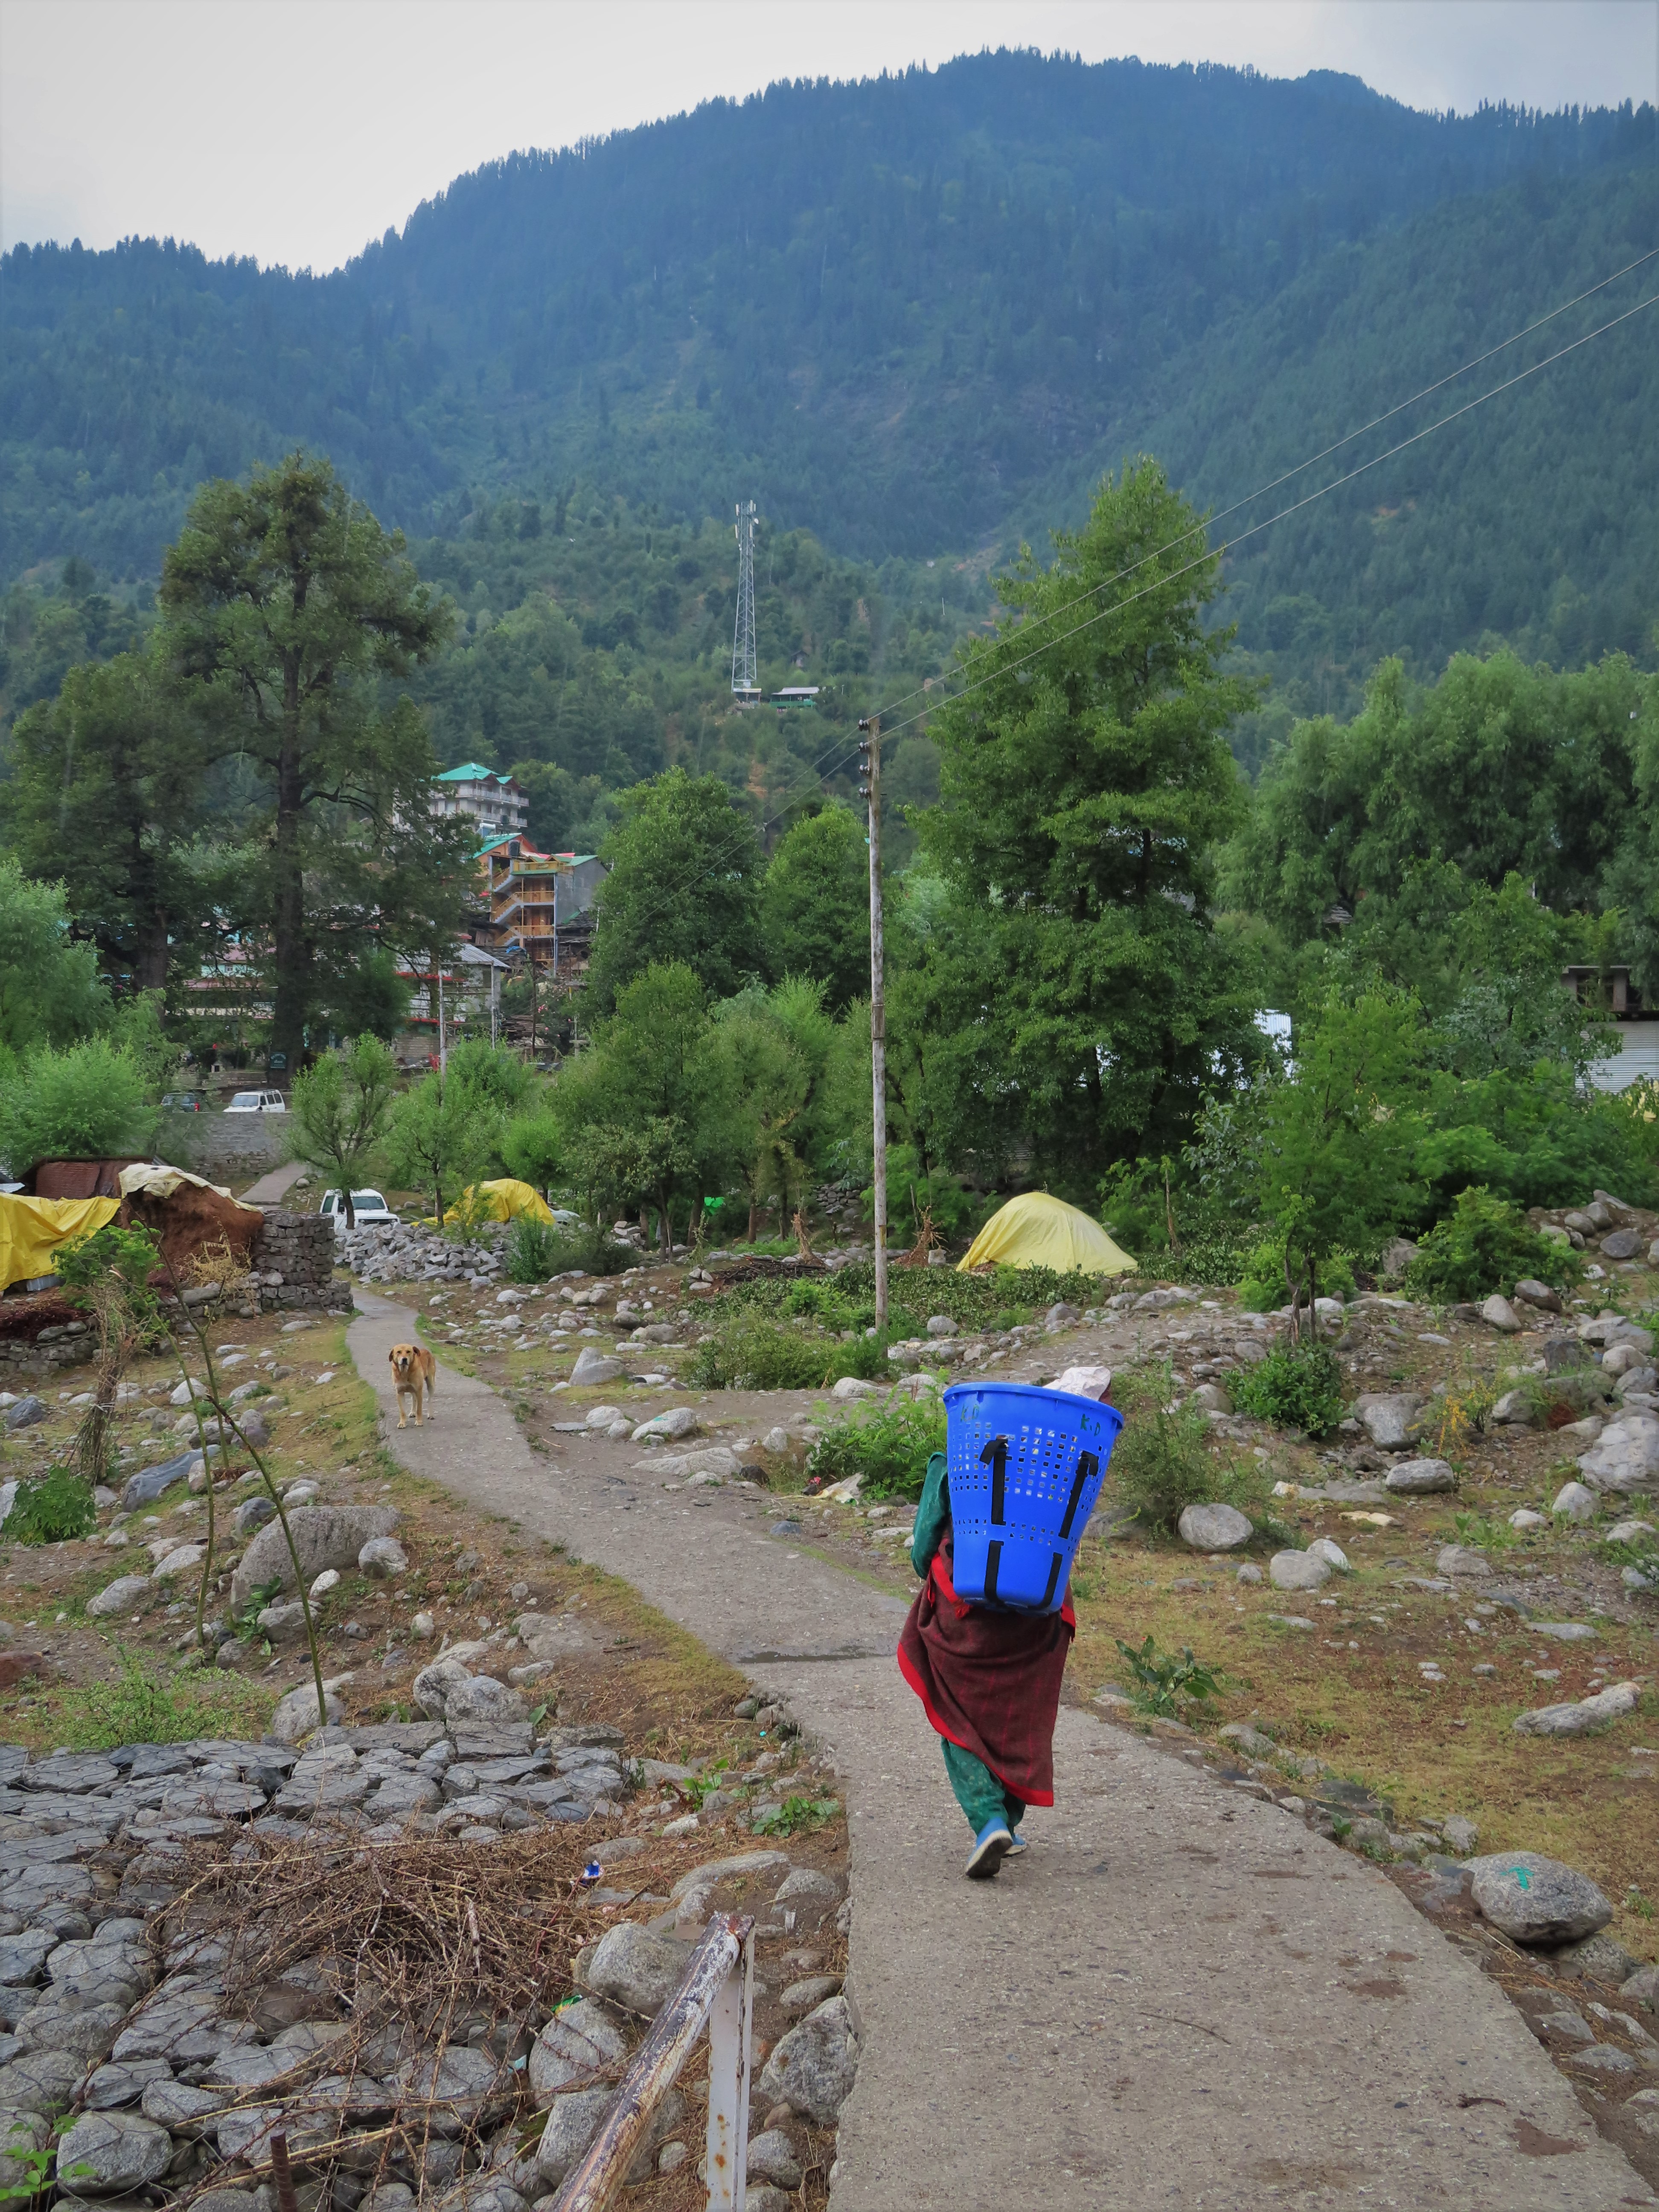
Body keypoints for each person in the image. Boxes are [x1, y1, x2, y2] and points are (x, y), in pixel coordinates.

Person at [897, 1445, 1077, 1880]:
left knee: (958, 1720)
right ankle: (1007, 1827)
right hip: (1039, 1618)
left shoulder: (949, 1466)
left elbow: (923, 1552)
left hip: (969, 1620)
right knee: (1019, 1721)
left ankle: (991, 1822)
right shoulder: (1057, 1470)